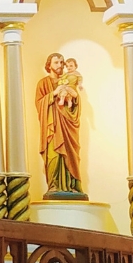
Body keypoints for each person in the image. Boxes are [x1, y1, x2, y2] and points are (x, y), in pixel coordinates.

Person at [35, 51, 84, 196]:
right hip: (53, 128)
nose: (60, 65)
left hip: (68, 127)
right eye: (56, 62)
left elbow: (76, 103)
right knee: (54, 156)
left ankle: (72, 185)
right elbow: (39, 103)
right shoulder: (43, 83)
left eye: (62, 62)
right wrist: (54, 93)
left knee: (70, 155)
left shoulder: (69, 80)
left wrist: (73, 97)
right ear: (49, 65)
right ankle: (54, 186)